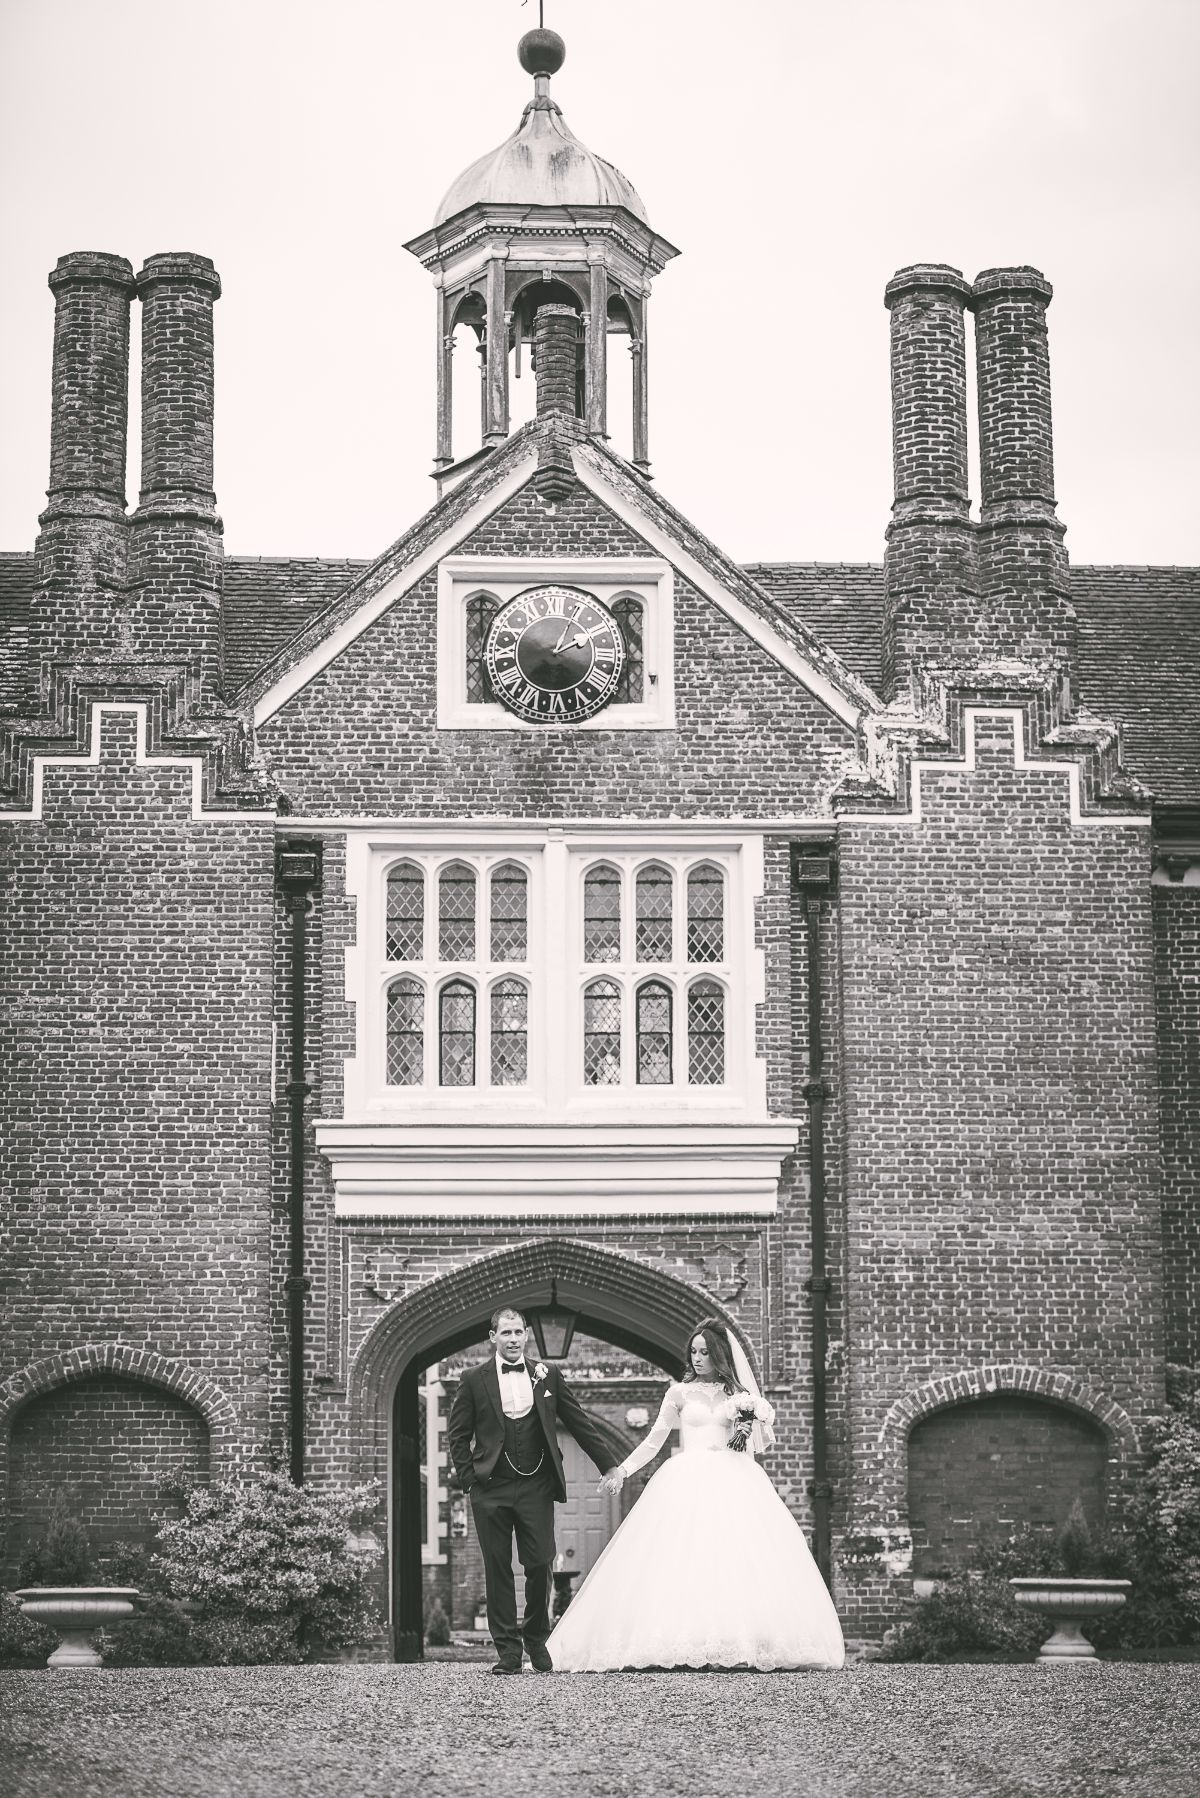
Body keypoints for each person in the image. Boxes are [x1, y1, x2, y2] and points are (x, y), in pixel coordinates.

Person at [545, 1317, 845, 1672]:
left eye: (705, 1352)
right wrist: (621, 1470)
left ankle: (737, 1640)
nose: (697, 1358)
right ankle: (683, 1639)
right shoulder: (679, 1393)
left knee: (735, 1558)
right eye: (694, 1351)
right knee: (683, 1556)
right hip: (687, 1477)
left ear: (719, 1355)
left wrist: (746, 1425)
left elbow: (749, 1446)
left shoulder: (739, 1397)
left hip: (734, 1478)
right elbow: (654, 1440)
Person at [446, 1304, 619, 1675]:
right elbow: (458, 1435)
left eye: (518, 1332)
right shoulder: (473, 1379)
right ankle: (508, 1651)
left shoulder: (547, 1375)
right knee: (497, 1568)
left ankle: (536, 1638)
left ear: (526, 1335)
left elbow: (579, 1422)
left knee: (540, 1562)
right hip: (490, 1487)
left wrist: (609, 1464)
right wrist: (469, 1478)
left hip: (536, 1485)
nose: (513, 1339)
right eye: (505, 1333)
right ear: (493, 1337)